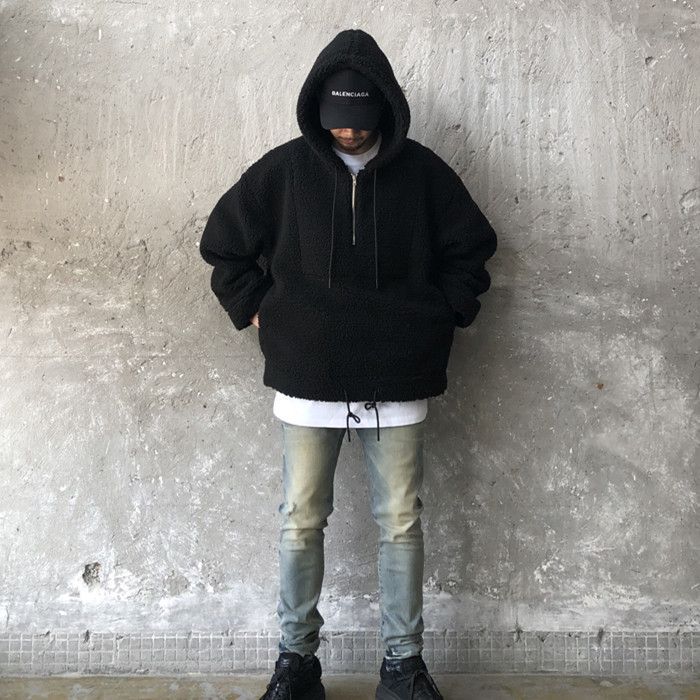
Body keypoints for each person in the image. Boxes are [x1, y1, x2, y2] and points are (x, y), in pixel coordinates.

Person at [199, 28, 497, 700]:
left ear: (386, 109)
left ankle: (403, 668)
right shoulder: (283, 171)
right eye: (336, 120)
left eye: (360, 121)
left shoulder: (423, 173)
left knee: (401, 522)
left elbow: (472, 250)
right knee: (300, 520)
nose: (349, 133)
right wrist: (260, 311)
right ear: (317, 110)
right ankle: (296, 665)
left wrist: (441, 316)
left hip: (398, 378)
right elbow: (223, 246)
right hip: (307, 378)